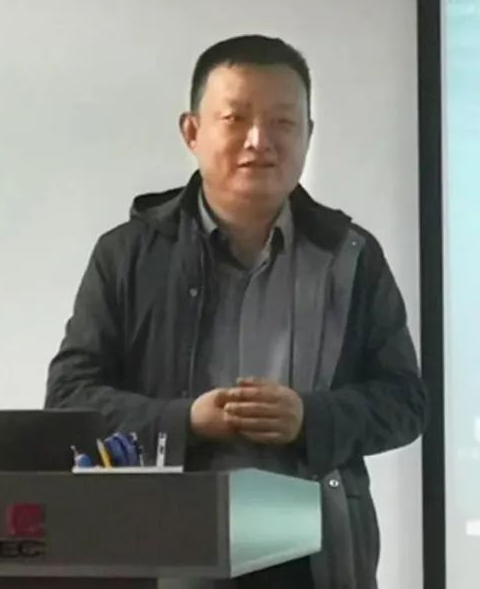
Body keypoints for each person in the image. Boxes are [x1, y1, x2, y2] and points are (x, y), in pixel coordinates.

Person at [44, 34, 428, 589]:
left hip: (314, 551)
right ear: (192, 132)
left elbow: (405, 401)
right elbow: (68, 399)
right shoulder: (128, 254)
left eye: (283, 122)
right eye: (236, 118)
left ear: (308, 135)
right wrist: (185, 422)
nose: (259, 141)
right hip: (164, 544)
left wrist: (310, 419)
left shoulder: (351, 256)